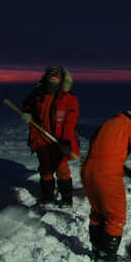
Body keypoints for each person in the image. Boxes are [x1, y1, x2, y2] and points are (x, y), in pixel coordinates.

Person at [81, 108, 131, 262]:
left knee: (98, 212)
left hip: (88, 170)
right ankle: (107, 256)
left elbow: (103, 155)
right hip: (107, 174)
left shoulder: (106, 125)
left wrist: (130, 173)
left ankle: (97, 249)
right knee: (116, 217)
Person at [22, 66, 81, 206]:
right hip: (41, 136)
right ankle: (48, 198)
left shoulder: (68, 98)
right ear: (47, 77)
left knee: (62, 169)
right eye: (51, 75)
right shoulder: (38, 93)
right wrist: (27, 112)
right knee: (45, 168)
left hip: (59, 140)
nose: (54, 77)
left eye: (57, 75)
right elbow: (27, 104)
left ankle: (67, 199)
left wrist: (66, 142)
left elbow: (70, 122)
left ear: (61, 79)